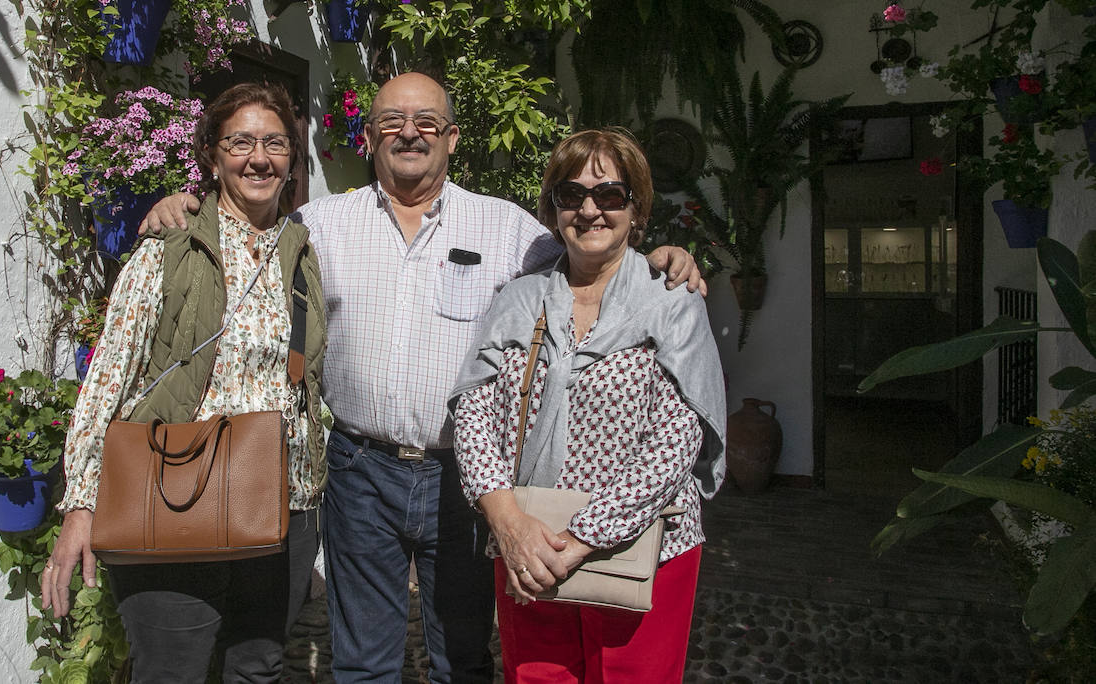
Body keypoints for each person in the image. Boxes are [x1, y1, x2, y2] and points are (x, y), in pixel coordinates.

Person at [139, 72, 706, 684]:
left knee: (461, 655)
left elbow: (591, 250)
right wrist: (182, 204)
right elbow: (243, 224)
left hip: (464, 479)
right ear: (368, 137)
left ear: (453, 137)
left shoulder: (510, 229)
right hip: (360, 471)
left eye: (427, 122)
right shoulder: (318, 225)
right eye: (391, 122)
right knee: (362, 660)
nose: (410, 133)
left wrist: (659, 260)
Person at [42, 82, 329, 684]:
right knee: (172, 672)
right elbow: (108, 379)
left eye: (275, 143)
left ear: (293, 159)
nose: (259, 158)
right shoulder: (168, 249)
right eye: (241, 142)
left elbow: (307, 380)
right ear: (213, 154)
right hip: (178, 494)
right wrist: (80, 507)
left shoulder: (301, 252)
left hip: (284, 505)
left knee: (259, 667)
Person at [450, 127, 725, 683]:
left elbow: (676, 441)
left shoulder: (670, 302)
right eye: (571, 196)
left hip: (646, 545)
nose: (590, 210)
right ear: (553, 209)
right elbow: (473, 413)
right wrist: (508, 522)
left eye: (610, 195)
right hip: (527, 543)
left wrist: (580, 539)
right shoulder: (518, 300)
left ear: (636, 208)